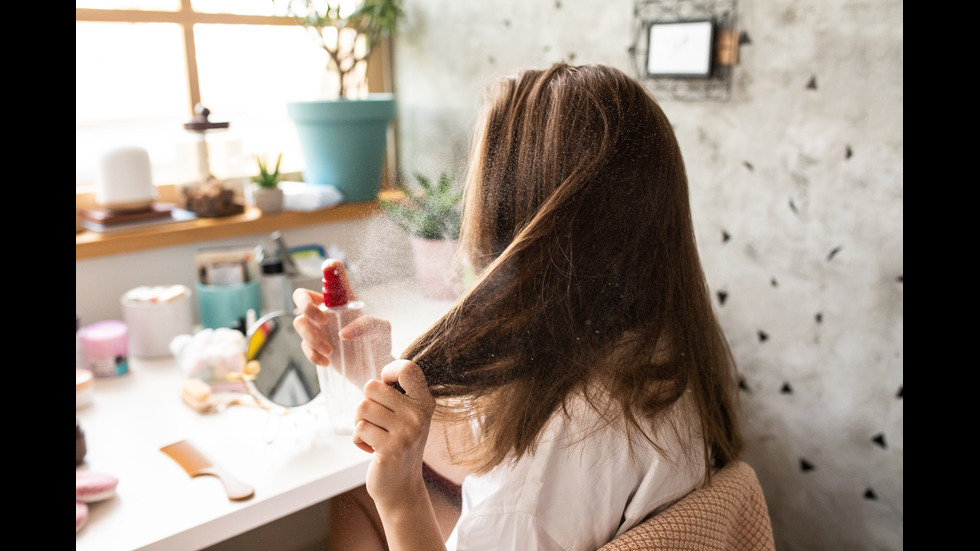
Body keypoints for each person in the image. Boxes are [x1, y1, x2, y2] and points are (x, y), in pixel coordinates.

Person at [293, 62, 744, 551]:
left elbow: (520, 479)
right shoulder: (653, 349)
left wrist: (400, 497)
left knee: (365, 500)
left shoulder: (542, 472)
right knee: (353, 501)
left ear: (519, 218)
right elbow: (493, 447)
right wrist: (370, 373)